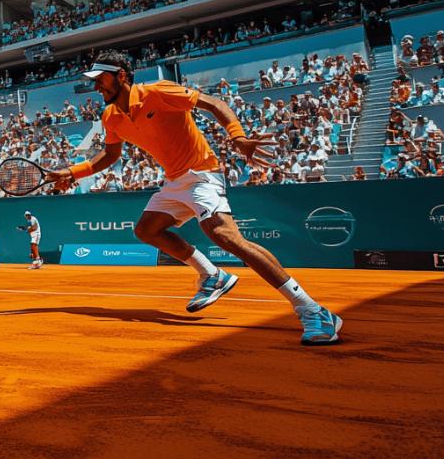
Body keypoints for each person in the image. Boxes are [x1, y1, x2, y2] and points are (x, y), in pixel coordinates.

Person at [43, 50, 343, 346]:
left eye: (102, 80)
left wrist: (237, 137)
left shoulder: (157, 91)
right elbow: (110, 155)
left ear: (121, 76)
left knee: (227, 238)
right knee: (146, 230)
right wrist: (71, 172)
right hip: (174, 181)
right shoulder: (110, 116)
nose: (97, 87)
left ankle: (313, 310)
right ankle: (212, 275)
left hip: (201, 173)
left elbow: (213, 103)